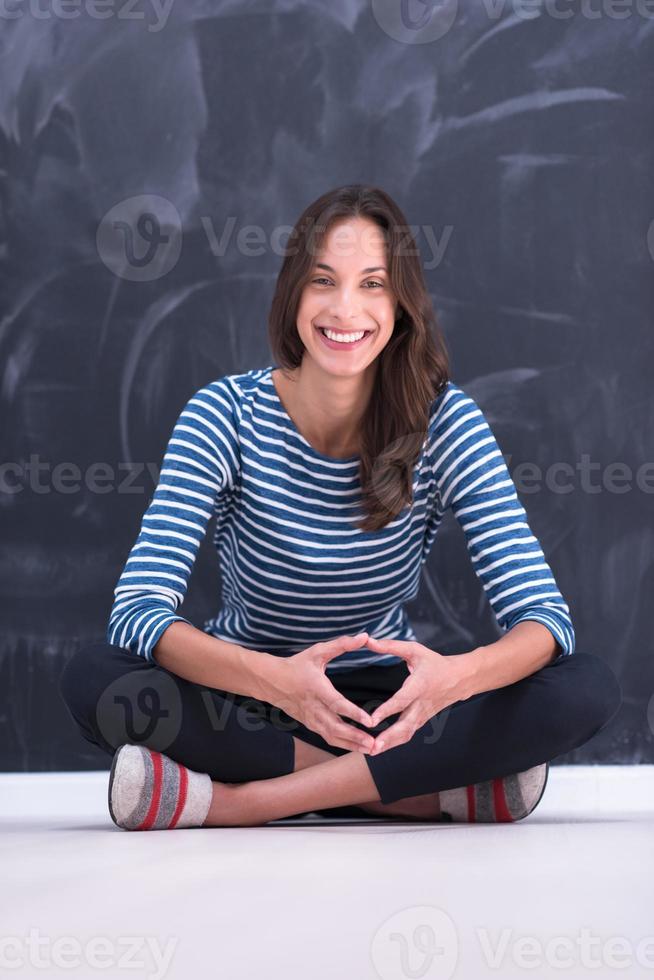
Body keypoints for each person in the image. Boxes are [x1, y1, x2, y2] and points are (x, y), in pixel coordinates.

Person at [58, 185, 621, 830]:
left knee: (585, 687)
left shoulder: (446, 423)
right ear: (293, 292)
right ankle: (422, 795)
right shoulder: (222, 416)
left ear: (401, 304)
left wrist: (452, 681)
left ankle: (239, 803)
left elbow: (546, 622)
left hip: (392, 704)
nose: (345, 308)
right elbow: (136, 614)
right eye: (323, 280)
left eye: (373, 284)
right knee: (94, 678)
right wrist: (278, 682)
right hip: (249, 696)